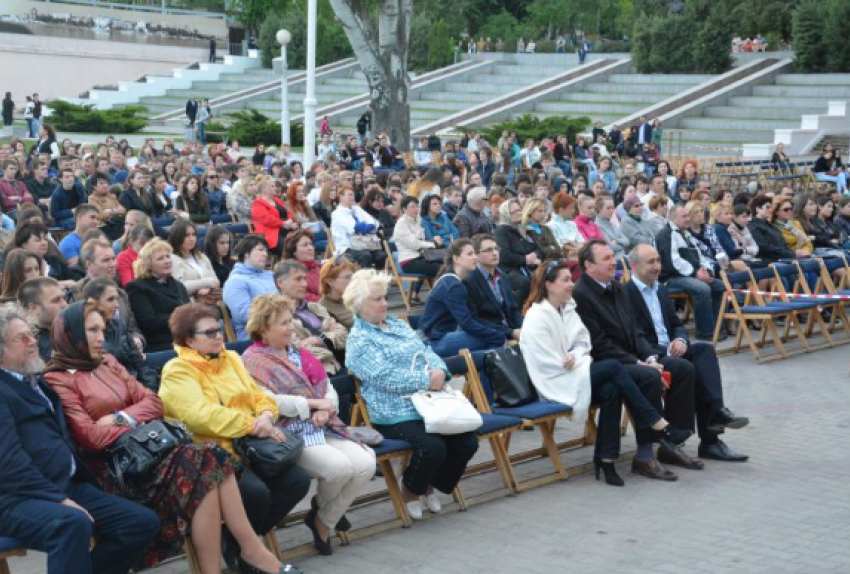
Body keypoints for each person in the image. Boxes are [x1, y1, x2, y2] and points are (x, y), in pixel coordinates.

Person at [43, 301, 288, 573]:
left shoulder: (108, 362)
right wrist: (138, 418)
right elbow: (92, 438)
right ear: (71, 334)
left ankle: (237, 556)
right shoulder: (58, 379)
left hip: (149, 455)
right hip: (116, 471)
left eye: (102, 329)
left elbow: (154, 403)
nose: (102, 337)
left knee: (207, 461)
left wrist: (120, 417)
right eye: (92, 330)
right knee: (206, 460)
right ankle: (249, 551)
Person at [0, 305, 160, 574]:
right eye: (21, 338)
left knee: (140, 522)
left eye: (32, 334)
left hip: (66, 485)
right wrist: (58, 499)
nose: (32, 341)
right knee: (71, 523)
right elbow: (9, 464)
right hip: (17, 497)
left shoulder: (37, 383)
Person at [158, 303, 310, 570]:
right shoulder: (178, 370)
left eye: (219, 328)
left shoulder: (231, 359)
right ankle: (248, 550)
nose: (219, 335)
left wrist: (265, 415)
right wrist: (251, 424)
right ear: (189, 339)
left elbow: (259, 395)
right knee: (257, 493)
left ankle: (236, 541)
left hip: (251, 446)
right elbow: (199, 415)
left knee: (298, 481)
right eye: (210, 332)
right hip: (212, 456)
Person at [520, 260, 688, 486]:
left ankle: (606, 459)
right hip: (553, 380)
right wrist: (566, 360)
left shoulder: (567, 308)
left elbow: (582, 342)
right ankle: (656, 422)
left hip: (574, 370)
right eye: (566, 280)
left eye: (571, 279)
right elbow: (542, 361)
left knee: (611, 388)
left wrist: (574, 356)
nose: (571, 285)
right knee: (612, 367)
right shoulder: (536, 316)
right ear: (549, 285)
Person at [242, 294, 375, 555]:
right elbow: (266, 401)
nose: (291, 327)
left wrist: (327, 407)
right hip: (287, 433)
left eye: (290, 320)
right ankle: (327, 518)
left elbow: (328, 387)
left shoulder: (301, 353)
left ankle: (321, 519)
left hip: (323, 424)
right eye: (283, 323)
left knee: (365, 463)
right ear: (263, 328)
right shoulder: (252, 360)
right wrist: (312, 406)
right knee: (339, 468)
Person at [344, 270, 479, 519]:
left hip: (429, 402)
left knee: (467, 441)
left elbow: (426, 350)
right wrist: (427, 380)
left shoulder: (396, 324)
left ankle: (429, 482)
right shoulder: (359, 340)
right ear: (359, 304)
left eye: (385, 297)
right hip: (393, 411)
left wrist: (441, 370)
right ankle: (412, 488)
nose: (385, 303)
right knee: (433, 447)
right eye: (377, 299)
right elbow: (385, 378)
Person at [572, 240, 695, 482]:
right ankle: (645, 455)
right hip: (605, 363)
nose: (613, 261)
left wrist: (649, 356)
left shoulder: (616, 287)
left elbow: (634, 331)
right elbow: (599, 345)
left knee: (683, 368)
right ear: (589, 265)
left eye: (612, 256)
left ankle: (671, 443)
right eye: (606, 258)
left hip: (632, 358)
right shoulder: (582, 294)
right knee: (649, 377)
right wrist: (641, 364)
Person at [626, 245, 750, 462]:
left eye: (658, 261)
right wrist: (667, 349)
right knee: (686, 368)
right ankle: (676, 441)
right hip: (651, 356)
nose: (657, 266)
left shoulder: (661, 289)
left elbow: (676, 324)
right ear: (634, 265)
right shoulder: (626, 294)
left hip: (672, 349)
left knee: (704, 349)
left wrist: (681, 339)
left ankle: (714, 420)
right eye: (651, 262)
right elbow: (633, 338)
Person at [420, 239, 511, 357]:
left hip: (435, 336)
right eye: (470, 254)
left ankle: (480, 370)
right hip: (434, 341)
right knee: (493, 338)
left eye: (474, 253)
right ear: (456, 259)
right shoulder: (453, 285)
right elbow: (466, 323)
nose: (475, 257)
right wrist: (499, 336)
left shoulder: (449, 279)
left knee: (491, 337)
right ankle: (480, 372)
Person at [655, 205, 726, 341]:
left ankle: (718, 327)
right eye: (684, 216)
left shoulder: (686, 234)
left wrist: (706, 270)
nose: (688, 219)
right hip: (671, 278)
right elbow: (673, 262)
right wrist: (696, 273)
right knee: (702, 288)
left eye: (688, 215)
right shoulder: (665, 235)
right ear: (673, 218)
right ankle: (705, 332)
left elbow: (700, 255)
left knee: (720, 286)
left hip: (689, 275)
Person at [274, 260, 347, 375]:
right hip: (316, 374)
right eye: (298, 279)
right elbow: (299, 350)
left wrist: (318, 340)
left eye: (305, 279)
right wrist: (331, 341)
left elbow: (343, 334)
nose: (304, 284)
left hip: (338, 366)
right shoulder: (277, 316)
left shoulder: (316, 307)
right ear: (280, 283)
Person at [126, 239, 191, 352]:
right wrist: (181, 317)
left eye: (168, 256)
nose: (167, 261)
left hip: (187, 338)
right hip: (162, 344)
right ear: (148, 264)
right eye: (160, 258)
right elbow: (149, 322)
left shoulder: (179, 285)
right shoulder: (137, 287)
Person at [465, 233, 523, 341]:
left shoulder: (502, 276)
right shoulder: (469, 280)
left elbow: (513, 309)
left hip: (510, 330)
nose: (495, 253)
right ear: (476, 255)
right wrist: (511, 333)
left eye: (496, 248)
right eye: (488, 250)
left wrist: (525, 326)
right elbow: (475, 320)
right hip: (489, 336)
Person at [223, 235, 277, 340]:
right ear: (246, 254)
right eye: (260, 250)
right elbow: (245, 315)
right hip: (255, 335)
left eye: (266, 251)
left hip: (281, 327)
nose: (265, 254)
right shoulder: (235, 281)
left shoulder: (270, 275)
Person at [494, 198, 543, 307]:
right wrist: (525, 260)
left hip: (529, 265)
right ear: (506, 214)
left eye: (519, 210)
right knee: (524, 282)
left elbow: (539, 248)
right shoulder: (501, 231)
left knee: (550, 274)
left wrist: (535, 255)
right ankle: (518, 310)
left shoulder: (524, 229)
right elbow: (504, 256)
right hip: (509, 269)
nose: (519, 213)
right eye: (514, 212)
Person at [393, 195, 441, 302]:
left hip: (421, 257)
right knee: (441, 268)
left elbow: (422, 238)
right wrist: (432, 244)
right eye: (412, 207)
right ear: (404, 209)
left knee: (446, 262)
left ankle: (436, 296)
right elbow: (414, 244)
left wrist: (433, 240)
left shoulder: (417, 221)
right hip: (408, 262)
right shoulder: (401, 224)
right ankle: (436, 298)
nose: (416, 209)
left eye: (417, 206)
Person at [331, 187, 385, 270]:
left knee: (381, 256)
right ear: (341, 196)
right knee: (365, 255)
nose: (352, 197)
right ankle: (363, 281)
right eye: (349, 195)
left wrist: (366, 226)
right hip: (346, 248)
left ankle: (376, 280)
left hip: (364, 244)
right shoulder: (337, 214)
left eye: (353, 195)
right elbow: (354, 227)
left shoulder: (356, 209)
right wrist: (365, 226)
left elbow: (373, 222)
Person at [167, 220, 220, 304]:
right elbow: (180, 287)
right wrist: (205, 282)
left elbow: (215, 280)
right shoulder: (172, 259)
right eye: (187, 235)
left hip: (209, 302)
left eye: (194, 234)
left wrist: (207, 288)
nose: (192, 239)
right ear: (177, 237)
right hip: (190, 306)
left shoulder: (201, 256)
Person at [18, 276, 67, 362]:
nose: (64, 304)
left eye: (63, 298)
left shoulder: (75, 327)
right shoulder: (29, 344)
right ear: (34, 308)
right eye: (56, 300)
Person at [748, 194, 795, 263]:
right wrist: (790, 254)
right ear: (758, 209)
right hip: (769, 261)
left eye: (771, 207)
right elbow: (764, 247)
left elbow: (783, 243)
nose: (770, 210)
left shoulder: (771, 225)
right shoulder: (753, 226)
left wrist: (792, 253)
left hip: (782, 258)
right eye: (767, 207)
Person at [318, 256, 358, 330]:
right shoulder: (323, 309)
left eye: (353, 277)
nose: (353, 281)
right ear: (330, 281)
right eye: (347, 277)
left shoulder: (356, 299)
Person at [282, 229, 322, 303]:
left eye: (311, 244)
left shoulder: (320, 266)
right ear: (294, 251)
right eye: (305, 245)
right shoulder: (291, 273)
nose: (310, 248)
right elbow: (303, 296)